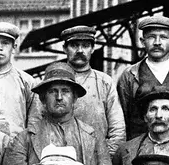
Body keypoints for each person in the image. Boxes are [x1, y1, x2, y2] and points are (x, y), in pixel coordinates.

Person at [0, 62, 117, 165]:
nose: (59, 97)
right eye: (53, 91)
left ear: (75, 97)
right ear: (42, 98)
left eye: (65, 91)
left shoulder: (93, 137)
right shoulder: (25, 139)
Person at [43, 25, 126, 155]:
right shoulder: (51, 82)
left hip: (96, 156)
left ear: (93, 48)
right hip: (59, 159)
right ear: (65, 48)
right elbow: (38, 121)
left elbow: (118, 129)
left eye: (85, 45)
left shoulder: (105, 82)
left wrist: (104, 158)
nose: (80, 50)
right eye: (74, 45)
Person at [115, 15, 169, 141]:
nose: (157, 42)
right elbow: (122, 118)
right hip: (141, 147)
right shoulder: (129, 75)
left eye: (163, 37)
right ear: (143, 42)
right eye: (151, 37)